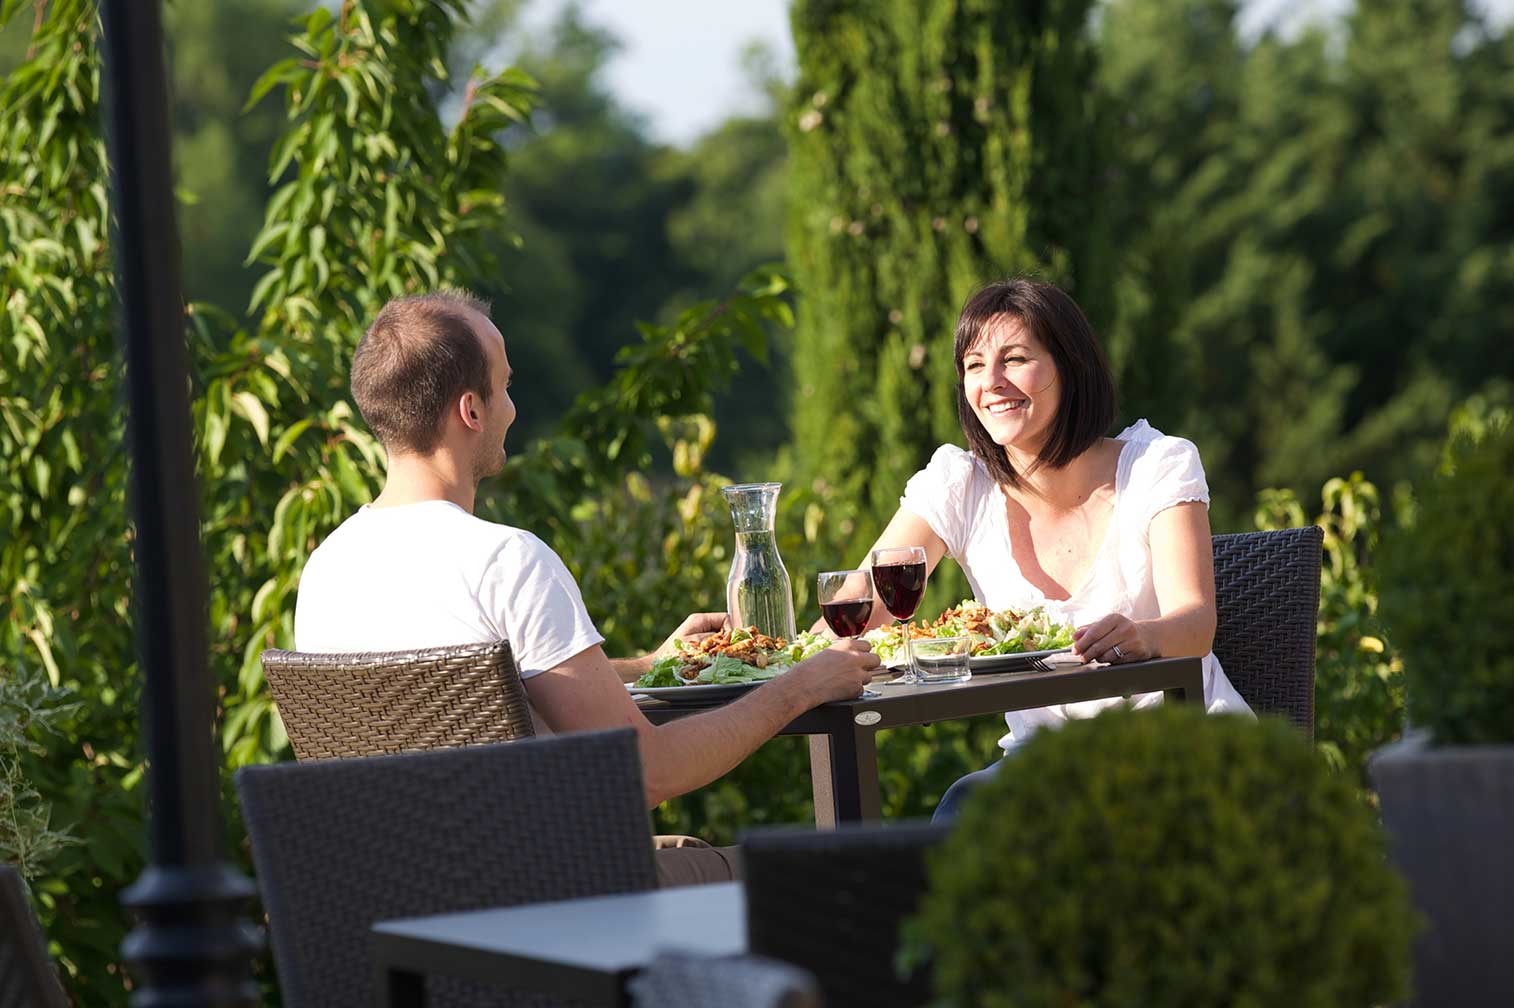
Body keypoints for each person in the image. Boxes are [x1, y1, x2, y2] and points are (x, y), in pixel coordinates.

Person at [294, 290, 880, 883]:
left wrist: (648, 665)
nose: (513, 411)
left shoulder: (326, 571)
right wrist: (802, 686)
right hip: (547, 911)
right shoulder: (505, 561)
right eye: (506, 387)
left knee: (684, 851)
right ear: (471, 410)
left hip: (402, 913)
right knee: (832, 879)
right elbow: (649, 772)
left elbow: (466, 688)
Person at [853, 278, 1252, 821]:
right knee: (961, 813)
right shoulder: (959, 485)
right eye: (973, 365)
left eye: (1014, 359)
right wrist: (740, 637)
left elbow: (1195, 622)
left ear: (1069, 366)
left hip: (1179, 745)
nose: (991, 383)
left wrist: (1144, 636)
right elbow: (856, 609)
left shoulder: (1156, 466)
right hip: (1045, 769)